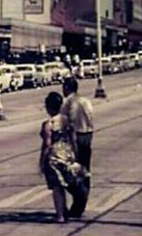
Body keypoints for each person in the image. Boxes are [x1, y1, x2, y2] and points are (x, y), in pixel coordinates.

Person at [39, 92, 86, 224]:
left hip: (54, 157)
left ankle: (60, 215)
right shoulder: (67, 121)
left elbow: (47, 144)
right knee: (65, 184)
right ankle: (64, 210)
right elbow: (74, 140)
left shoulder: (48, 124)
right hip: (67, 155)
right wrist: (75, 156)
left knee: (57, 187)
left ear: (48, 107)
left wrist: (42, 161)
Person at [61, 76, 94, 218]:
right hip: (87, 136)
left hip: (75, 138)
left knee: (69, 173)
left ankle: (79, 199)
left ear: (67, 88)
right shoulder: (86, 101)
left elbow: (69, 125)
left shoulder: (68, 103)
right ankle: (80, 205)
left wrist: (71, 145)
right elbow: (91, 121)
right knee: (84, 172)